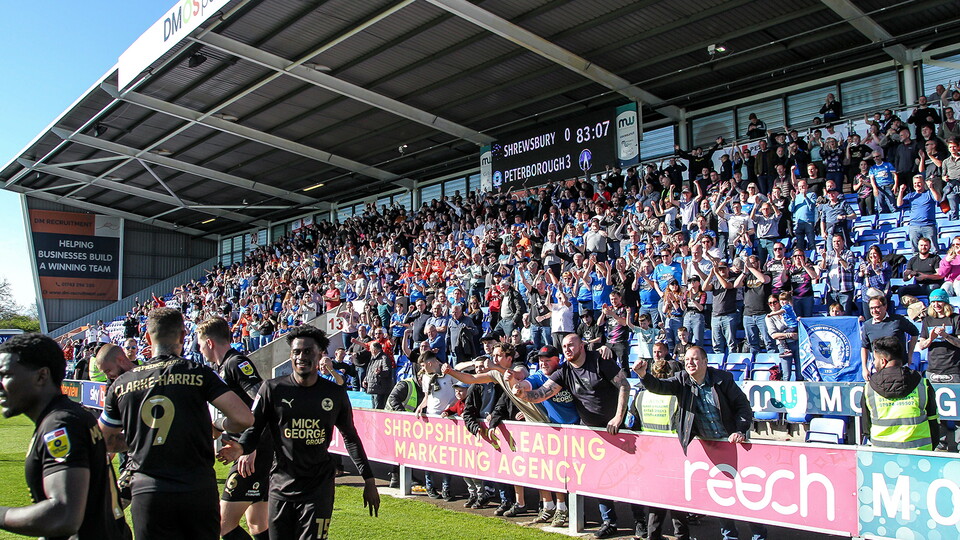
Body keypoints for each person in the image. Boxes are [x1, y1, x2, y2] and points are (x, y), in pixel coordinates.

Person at [98, 308, 254, 540]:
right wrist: (218, 425)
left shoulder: (121, 384)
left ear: (148, 339)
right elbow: (244, 418)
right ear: (182, 336)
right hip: (197, 489)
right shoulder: (199, 373)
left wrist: (139, 440)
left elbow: (106, 440)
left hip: (149, 491)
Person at [217, 324, 380, 540]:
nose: (301, 357)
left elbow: (350, 437)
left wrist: (368, 480)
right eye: (296, 352)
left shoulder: (334, 393)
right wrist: (242, 447)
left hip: (318, 489)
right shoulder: (272, 389)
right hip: (280, 488)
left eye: (307, 351)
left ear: (320, 354)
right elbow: (255, 428)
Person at [0, 334, 131, 540]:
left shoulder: (61, 425)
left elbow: (63, 516)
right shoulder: (70, 417)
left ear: (42, 376)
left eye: (6, 375)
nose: (1, 385)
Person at [633, 346, 767, 540]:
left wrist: (740, 430)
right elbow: (659, 387)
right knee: (723, 495)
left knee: (748, 495)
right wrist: (643, 375)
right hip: (711, 450)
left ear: (705, 362)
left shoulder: (723, 379)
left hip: (735, 445)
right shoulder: (681, 379)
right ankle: (729, 537)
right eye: (687, 359)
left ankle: (758, 535)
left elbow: (743, 406)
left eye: (695, 359)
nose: (690, 363)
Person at [513, 333, 629, 539]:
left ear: (582, 345)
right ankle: (608, 521)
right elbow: (543, 392)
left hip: (616, 428)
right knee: (598, 477)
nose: (567, 349)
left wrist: (619, 417)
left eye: (571, 345)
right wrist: (524, 394)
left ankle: (639, 523)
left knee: (629, 476)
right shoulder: (564, 371)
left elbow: (624, 385)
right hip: (590, 431)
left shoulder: (600, 360)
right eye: (564, 346)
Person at [197, 317, 273, 540]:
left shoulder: (235, 363)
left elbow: (261, 402)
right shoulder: (225, 366)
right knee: (258, 524)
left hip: (252, 454)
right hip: (254, 451)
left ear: (210, 343)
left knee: (223, 525)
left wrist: (251, 447)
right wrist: (219, 426)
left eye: (200, 345)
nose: (199, 350)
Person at [628, 356, 690, 540]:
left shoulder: (640, 396)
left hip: (649, 454)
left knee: (657, 499)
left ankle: (653, 535)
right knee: (677, 501)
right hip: (673, 454)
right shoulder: (675, 397)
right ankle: (681, 536)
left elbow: (632, 424)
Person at [861, 336, 939, 451]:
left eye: (875, 359)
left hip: (882, 453)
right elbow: (933, 422)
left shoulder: (869, 388)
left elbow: (867, 428)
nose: (874, 362)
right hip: (920, 454)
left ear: (883, 361)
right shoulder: (923, 384)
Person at [918, 288, 960, 450]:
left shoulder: (956, 319)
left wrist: (946, 336)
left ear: (946, 302)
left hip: (953, 371)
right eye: (933, 301)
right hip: (933, 371)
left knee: (958, 413)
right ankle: (940, 445)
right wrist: (932, 338)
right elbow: (921, 345)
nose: (936, 305)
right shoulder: (927, 321)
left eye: (940, 301)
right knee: (937, 413)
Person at [860, 296, 920, 380]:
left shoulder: (898, 320)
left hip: (899, 368)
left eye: (877, 307)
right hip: (878, 370)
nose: (874, 311)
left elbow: (915, 333)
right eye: (871, 308)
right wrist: (864, 368)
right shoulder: (867, 325)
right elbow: (864, 347)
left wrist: (910, 354)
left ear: (885, 306)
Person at [897, 175, 942, 254]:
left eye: (919, 183)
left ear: (924, 183)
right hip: (914, 226)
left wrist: (931, 188)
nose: (916, 185)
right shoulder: (911, 195)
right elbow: (899, 204)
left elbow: (938, 199)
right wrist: (901, 191)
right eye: (915, 183)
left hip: (928, 225)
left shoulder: (929, 193)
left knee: (934, 250)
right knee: (915, 251)